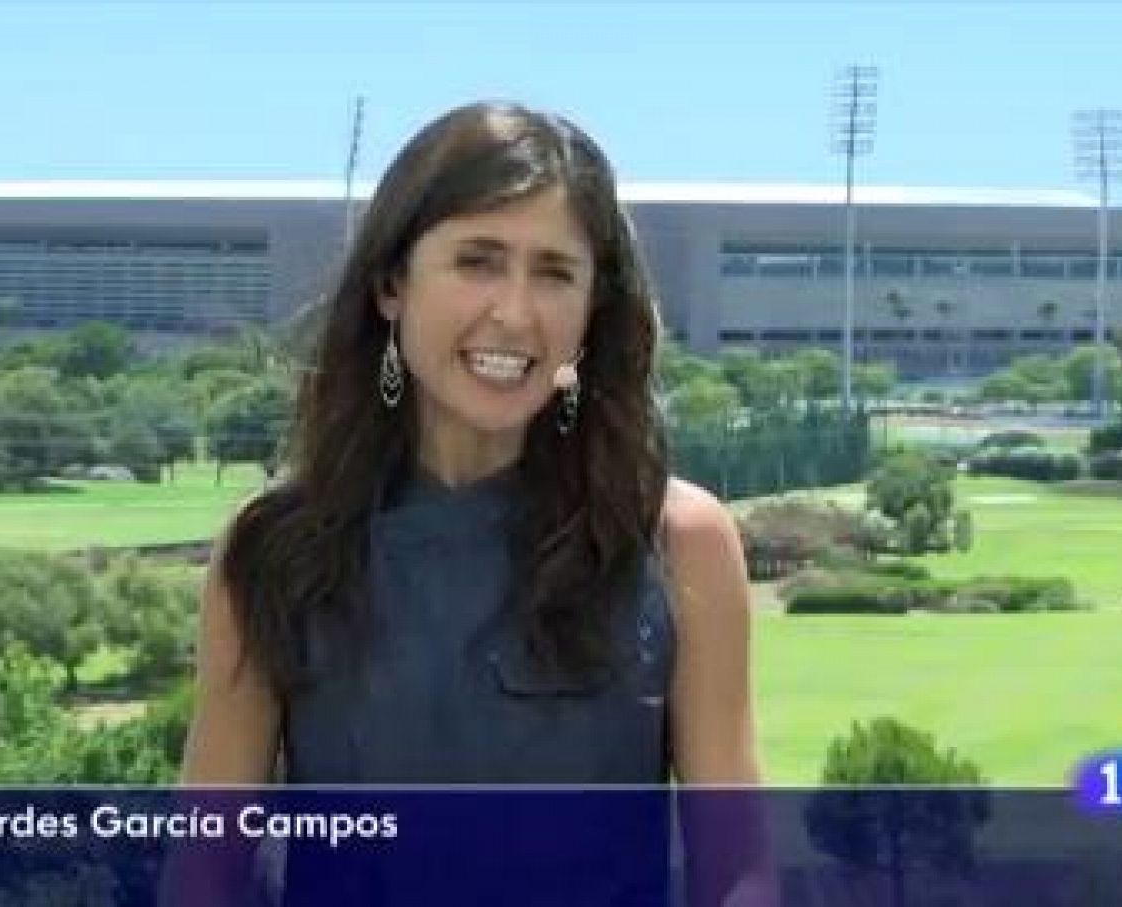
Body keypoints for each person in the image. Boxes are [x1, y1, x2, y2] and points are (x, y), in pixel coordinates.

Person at [173, 100, 771, 905]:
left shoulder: (679, 542)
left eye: (554, 273)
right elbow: (204, 875)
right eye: (478, 261)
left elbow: (737, 872)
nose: (515, 312)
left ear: (593, 311)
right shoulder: (273, 553)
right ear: (392, 283)